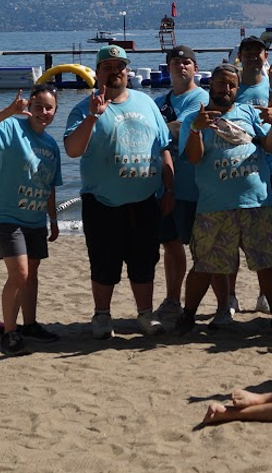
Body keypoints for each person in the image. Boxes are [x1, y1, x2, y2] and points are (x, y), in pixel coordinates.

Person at [173, 64, 272, 334]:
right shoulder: (195, 118)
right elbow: (193, 158)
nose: (225, 89)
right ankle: (187, 316)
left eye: (231, 85)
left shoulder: (249, 113)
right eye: (220, 83)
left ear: (237, 89)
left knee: (265, 262)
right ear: (210, 85)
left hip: (256, 202)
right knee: (204, 264)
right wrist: (195, 129)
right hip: (214, 206)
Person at [64, 45, 171, 339]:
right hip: (102, 202)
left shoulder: (146, 103)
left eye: (119, 66)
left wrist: (169, 187)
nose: (115, 72)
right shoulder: (82, 109)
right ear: (98, 72)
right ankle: (102, 316)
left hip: (145, 200)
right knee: (103, 263)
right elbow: (73, 150)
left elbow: (163, 146)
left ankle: (145, 314)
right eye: (108, 67)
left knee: (145, 262)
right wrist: (93, 117)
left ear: (127, 70)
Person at [0, 86, 62, 355]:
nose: (43, 112)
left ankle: (30, 324)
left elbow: (50, 185)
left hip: (35, 218)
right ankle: (9, 333)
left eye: (49, 108)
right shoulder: (11, 127)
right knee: (20, 273)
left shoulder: (51, 144)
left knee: (32, 274)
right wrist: (7, 111)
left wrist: (53, 219)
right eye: (38, 106)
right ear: (29, 107)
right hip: (6, 214)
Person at [154, 45, 210, 326]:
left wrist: (173, 128)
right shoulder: (159, 101)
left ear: (195, 68)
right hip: (165, 186)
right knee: (170, 245)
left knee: (202, 249)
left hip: (194, 187)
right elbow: (168, 131)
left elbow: (178, 129)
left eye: (187, 62)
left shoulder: (203, 98)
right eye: (175, 62)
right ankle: (173, 299)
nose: (181, 66)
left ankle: (212, 302)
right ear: (168, 67)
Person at [233, 35, 272, 314]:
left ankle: (265, 295)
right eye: (248, 52)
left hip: (269, 170)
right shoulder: (232, 86)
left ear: (266, 57)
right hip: (234, 171)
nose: (254, 56)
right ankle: (230, 295)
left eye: (258, 52)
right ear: (240, 56)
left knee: (264, 237)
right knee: (232, 237)